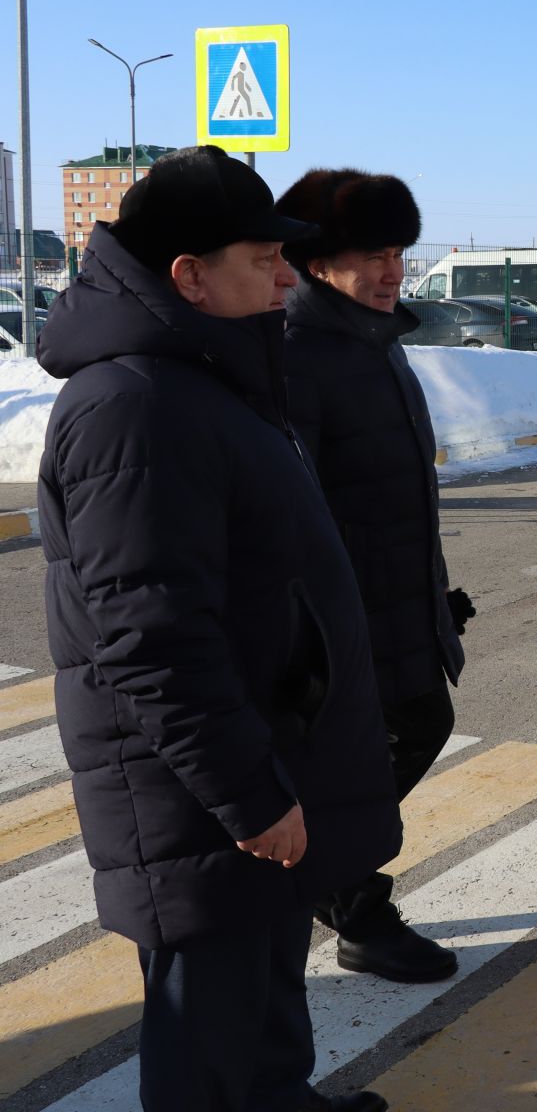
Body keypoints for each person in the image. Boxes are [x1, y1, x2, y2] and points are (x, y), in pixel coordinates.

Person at [35, 145, 399, 1111]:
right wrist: (248, 796)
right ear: (189, 277)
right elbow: (152, 638)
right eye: (260, 259)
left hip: (257, 757)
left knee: (263, 991)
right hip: (203, 795)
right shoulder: (135, 406)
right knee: (209, 1034)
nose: (286, 276)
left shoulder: (205, 377)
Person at [276, 169, 470, 984]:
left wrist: (433, 602)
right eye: (372, 256)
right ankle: (345, 899)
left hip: (395, 606)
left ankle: (332, 884)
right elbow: (291, 516)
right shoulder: (297, 357)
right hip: (341, 622)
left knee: (417, 728)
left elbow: (396, 498)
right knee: (375, 750)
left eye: (397, 253)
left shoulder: (378, 348)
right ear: (319, 262)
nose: (393, 271)